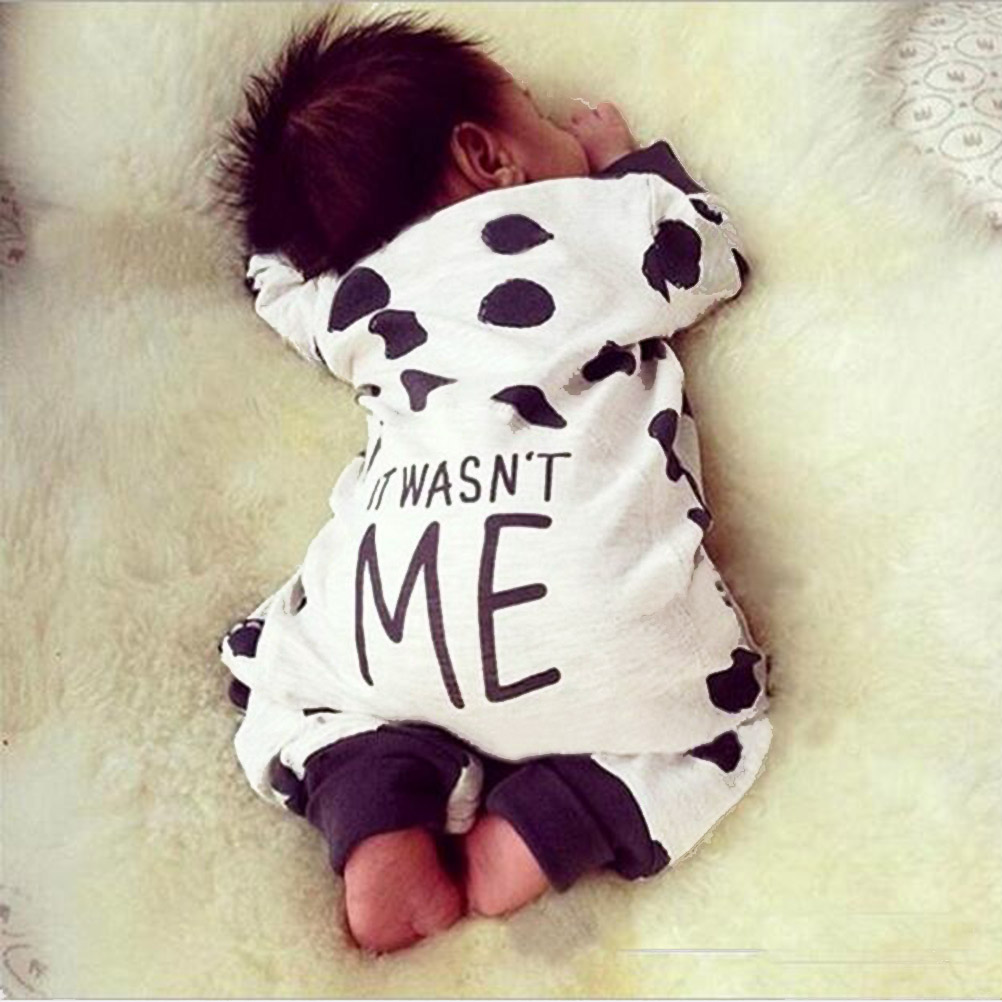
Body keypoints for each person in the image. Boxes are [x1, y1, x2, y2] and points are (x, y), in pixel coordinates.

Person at [212, 7, 773, 955]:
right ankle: (553, 818)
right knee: (717, 726)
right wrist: (627, 167)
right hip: (594, 620)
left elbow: (273, 286)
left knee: (289, 688)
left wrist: (298, 228)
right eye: (539, 115)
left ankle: (372, 795)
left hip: (389, 619)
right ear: (488, 156)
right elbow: (707, 253)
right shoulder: (586, 226)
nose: (563, 128)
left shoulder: (358, 297)